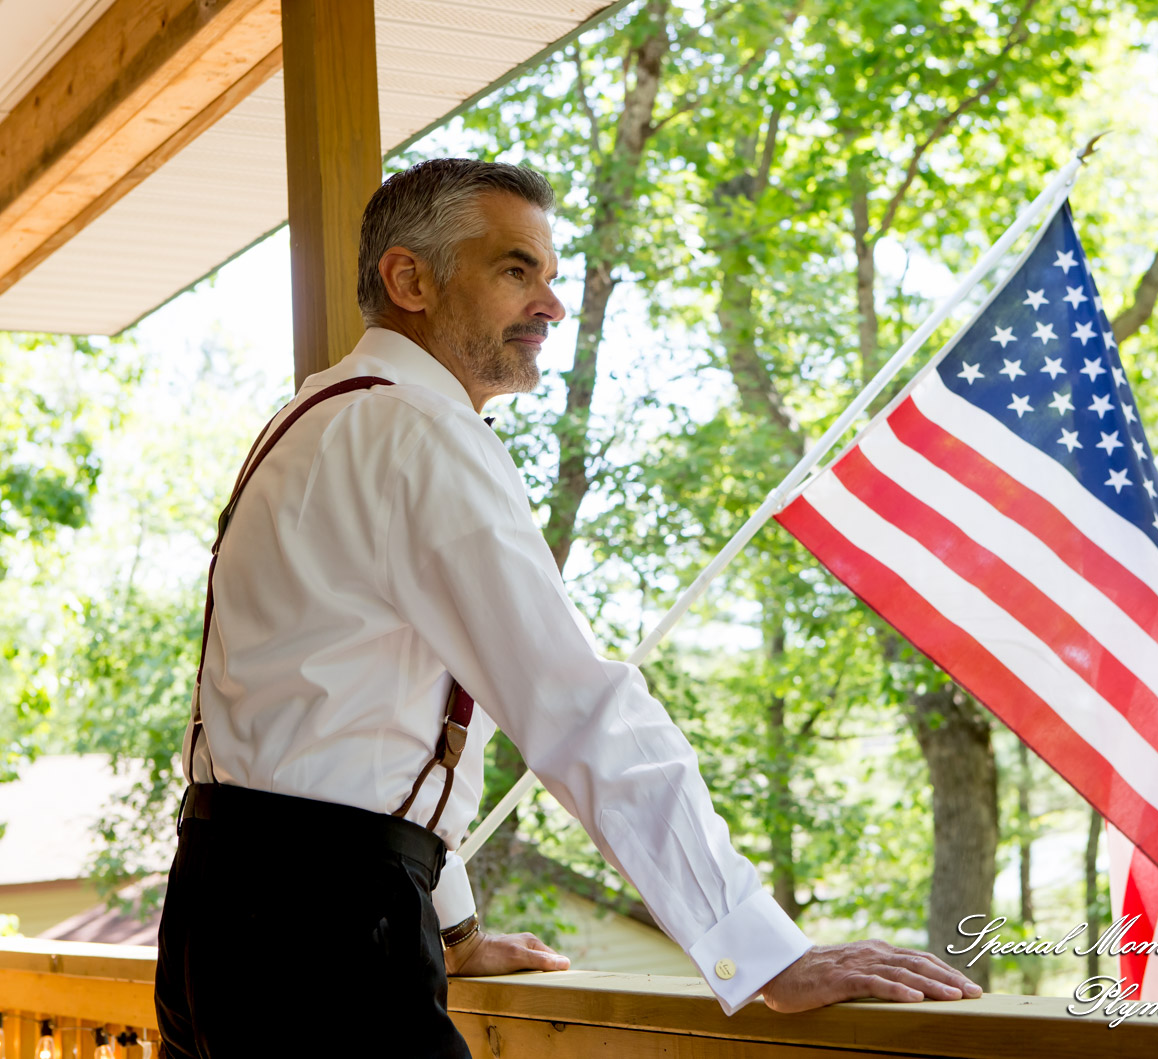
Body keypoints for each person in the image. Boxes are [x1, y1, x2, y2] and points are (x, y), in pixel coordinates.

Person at [154, 158, 980, 1057]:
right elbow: (577, 708)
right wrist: (762, 953)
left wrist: (454, 933)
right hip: (320, 941)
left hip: (214, 909)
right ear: (409, 279)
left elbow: (342, 727)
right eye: (516, 270)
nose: (550, 304)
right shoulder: (418, 433)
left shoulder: (308, 419)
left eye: (550, 276)